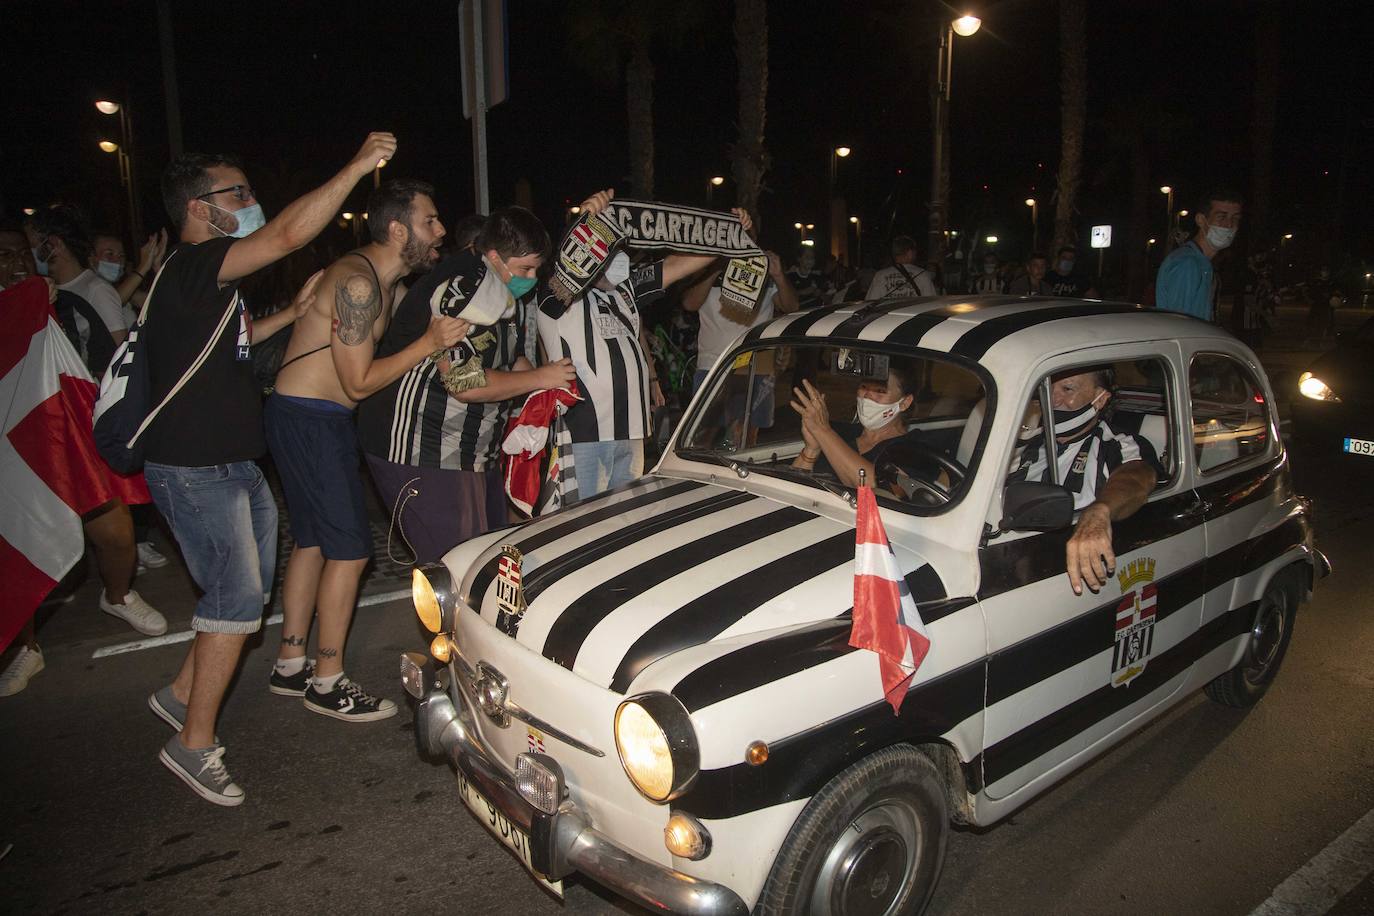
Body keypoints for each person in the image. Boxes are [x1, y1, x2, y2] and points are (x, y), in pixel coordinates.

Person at [143, 133, 396, 806]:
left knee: (242, 598)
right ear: (200, 208)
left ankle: (177, 695)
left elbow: (239, 340)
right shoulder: (196, 264)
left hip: (234, 464)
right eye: (239, 194)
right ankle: (193, 745)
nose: (250, 204)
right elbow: (285, 233)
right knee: (232, 602)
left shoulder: (202, 288)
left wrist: (297, 305)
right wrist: (355, 165)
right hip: (197, 470)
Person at [265, 179, 465, 722]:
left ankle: (290, 663)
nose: (440, 230)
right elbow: (356, 383)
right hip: (313, 419)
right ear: (397, 229)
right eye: (430, 221)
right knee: (350, 551)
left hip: (306, 416)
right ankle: (327, 681)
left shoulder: (385, 285)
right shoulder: (357, 284)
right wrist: (430, 343)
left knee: (311, 541)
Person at [0, 228, 166, 697]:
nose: (15, 264)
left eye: (21, 255)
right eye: (3, 256)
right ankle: (23, 647)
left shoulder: (67, 304)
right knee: (19, 544)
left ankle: (118, 595)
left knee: (115, 533)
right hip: (19, 450)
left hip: (73, 433)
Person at [357, 207, 575, 563]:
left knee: (486, 558)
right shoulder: (465, 289)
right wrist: (540, 377)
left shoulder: (503, 287)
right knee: (456, 566)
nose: (533, 278)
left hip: (471, 451)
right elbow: (463, 382)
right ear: (493, 256)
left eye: (537, 268)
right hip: (424, 449)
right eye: (525, 269)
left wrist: (547, 380)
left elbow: (510, 359)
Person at [536, 188, 734, 496]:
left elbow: (677, 265)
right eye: (606, 251)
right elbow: (566, 263)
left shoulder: (624, 292)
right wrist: (585, 222)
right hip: (583, 432)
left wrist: (729, 232)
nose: (618, 259)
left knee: (622, 519)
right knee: (583, 522)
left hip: (632, 432)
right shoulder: (557, 296)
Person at [1007, 367, 1160, 595]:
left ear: (1100, 399)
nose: (1053, 399)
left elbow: (1137, 478)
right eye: (1047, 388)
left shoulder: (1116, 443)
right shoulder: (1022, 442)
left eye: (1067, 388)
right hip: (1010, 549)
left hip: (1056, 558)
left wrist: (1099, 511)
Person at [683, 246, 799, 446]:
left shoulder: (763, 270)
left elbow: (791, 308)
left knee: (746, 440)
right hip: (713, 365)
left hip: (756, 366)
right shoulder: (708, 265)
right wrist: (717, 267)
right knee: (704, 437)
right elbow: (689, 304)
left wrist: (779, 275)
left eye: (749, 235)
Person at [790, 361, 927, 489]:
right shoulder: (840, 432)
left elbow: (876, 488)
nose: (867, 396)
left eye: (880, 391)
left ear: (905, 403)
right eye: (863, 387)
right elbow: (793, 488)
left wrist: (822, 431)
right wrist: (811, 449)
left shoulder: (915, 447)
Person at [29, 207, 127, 372]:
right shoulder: (47, 292)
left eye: (32, 247)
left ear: (54, 244)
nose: (28, 255)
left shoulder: (96, 290)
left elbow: (122, 355)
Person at [1154, 190, 1242, 322]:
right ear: (1201, 220)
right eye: (1221, 217)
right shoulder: (1187, 264)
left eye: (1235, 218)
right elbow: (1181, 326)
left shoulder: (1201, 263)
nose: (1229, 225)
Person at [865, 236, 936, 299]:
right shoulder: (922, 275)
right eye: (915, 252)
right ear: (910, 253)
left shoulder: (880, 275)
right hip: (913, 313)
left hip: (890, 313)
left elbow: (871, 301)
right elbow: (931, 303)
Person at [785, 246, 830, 310]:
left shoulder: (819, 276)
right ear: (799, 259)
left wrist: (820, 294)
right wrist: (802, 292)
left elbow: (829, 301)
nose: (810, 260)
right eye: (807, 256)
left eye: (812, 257)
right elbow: (785, 298)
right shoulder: (790, 277)